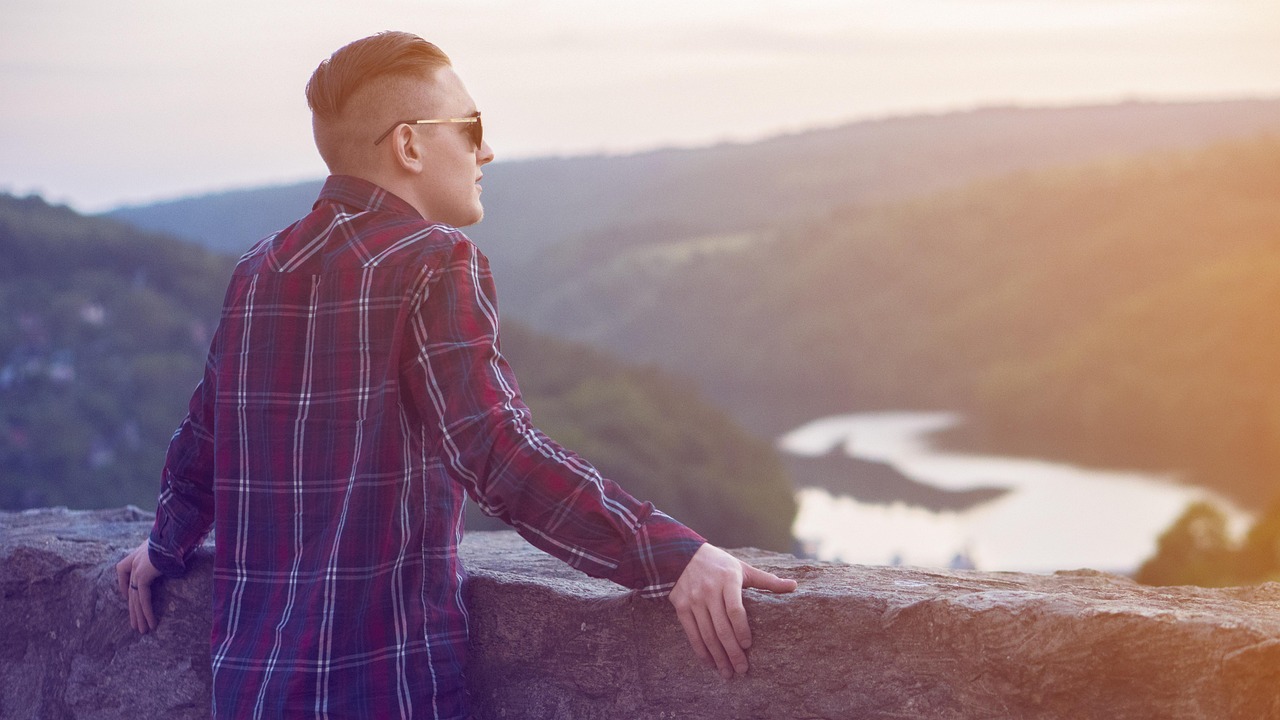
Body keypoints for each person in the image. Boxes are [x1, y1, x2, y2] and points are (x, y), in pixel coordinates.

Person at [115, 30, 796, 719]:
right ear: (409, 145)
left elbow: (204, 440)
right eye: (471, 128)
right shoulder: (435, 260)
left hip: (249, 687)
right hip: (380, 690)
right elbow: (497, 454)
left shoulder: (259, 269)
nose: (487, 150)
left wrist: (164, 545)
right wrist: (674, 556)